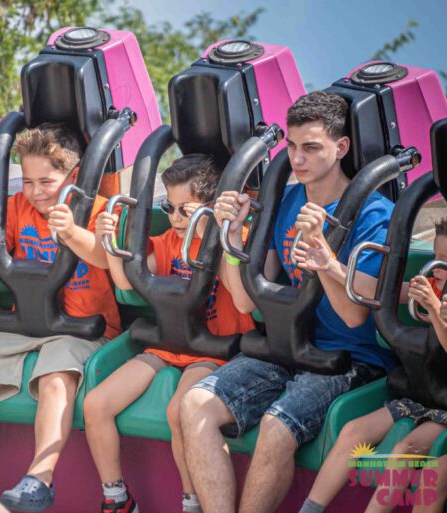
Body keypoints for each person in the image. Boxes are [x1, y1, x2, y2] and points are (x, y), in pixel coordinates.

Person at [180, 91, 397, 513]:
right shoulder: (287, 201)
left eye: (311, 148)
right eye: (293, 147)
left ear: (341, 147)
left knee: (277, 427)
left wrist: (326, 259)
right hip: (284, 346)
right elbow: (245, 301)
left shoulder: (374, 212)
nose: (298, 159)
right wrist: (231, 236)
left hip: (348, 357)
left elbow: (355, 315)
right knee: (194, 405)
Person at [0, 122, 121, 512]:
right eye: (27, 181)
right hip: (24, 321)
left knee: (56, 377)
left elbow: (103, 258)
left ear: (73, 177)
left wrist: (72, 232)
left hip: (81, 327)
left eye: (47, 181)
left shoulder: (92, 209)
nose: (37, 192)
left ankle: (39, 478)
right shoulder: (17, 206)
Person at [84, 154, 255, 513]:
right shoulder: (166, 242)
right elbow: (125, 283)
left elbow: (241, 300)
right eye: (169, 207)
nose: (175, 219)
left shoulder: (231, 240)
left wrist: (222, 237)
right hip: (168, 344)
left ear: (209, 207)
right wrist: (110, 244)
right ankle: (116, 498)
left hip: (211, 349)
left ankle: (191, 500)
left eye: (185, 210)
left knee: (180, 409)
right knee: (95, 404)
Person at [299, 218, 447, 513]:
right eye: (438, 259)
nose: (440, 270)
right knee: (354, 431)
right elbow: (379, 290)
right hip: (423, 392)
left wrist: (434, 310)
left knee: (405, 453)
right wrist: (331, 266)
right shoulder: (434, 283)